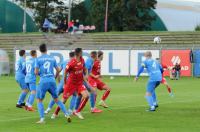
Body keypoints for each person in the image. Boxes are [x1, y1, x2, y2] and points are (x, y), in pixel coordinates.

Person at [35, 44, 71, 124]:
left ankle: (42, 119)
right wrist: (54, 77)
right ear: (46, 49)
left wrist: (41, 74)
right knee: (57, 99)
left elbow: (36, 72)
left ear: (40, 50)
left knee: (39, 100)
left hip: (43, 81)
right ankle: (67, 114)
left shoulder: (38, 59)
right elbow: (58, 70)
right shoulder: (52, 58)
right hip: (52, 80)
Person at [52, 48, 89, 120]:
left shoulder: (82, 59)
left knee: (86, 96)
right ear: (79, 53)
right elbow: (65, 73)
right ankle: (55, 113)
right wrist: (65, 84)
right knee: (64, 100)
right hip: (71, 84)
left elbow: (85, 68)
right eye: (82, 52)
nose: (82, 53)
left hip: (79, 83)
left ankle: (77, 111)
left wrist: (86, 74)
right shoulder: (71, 63)